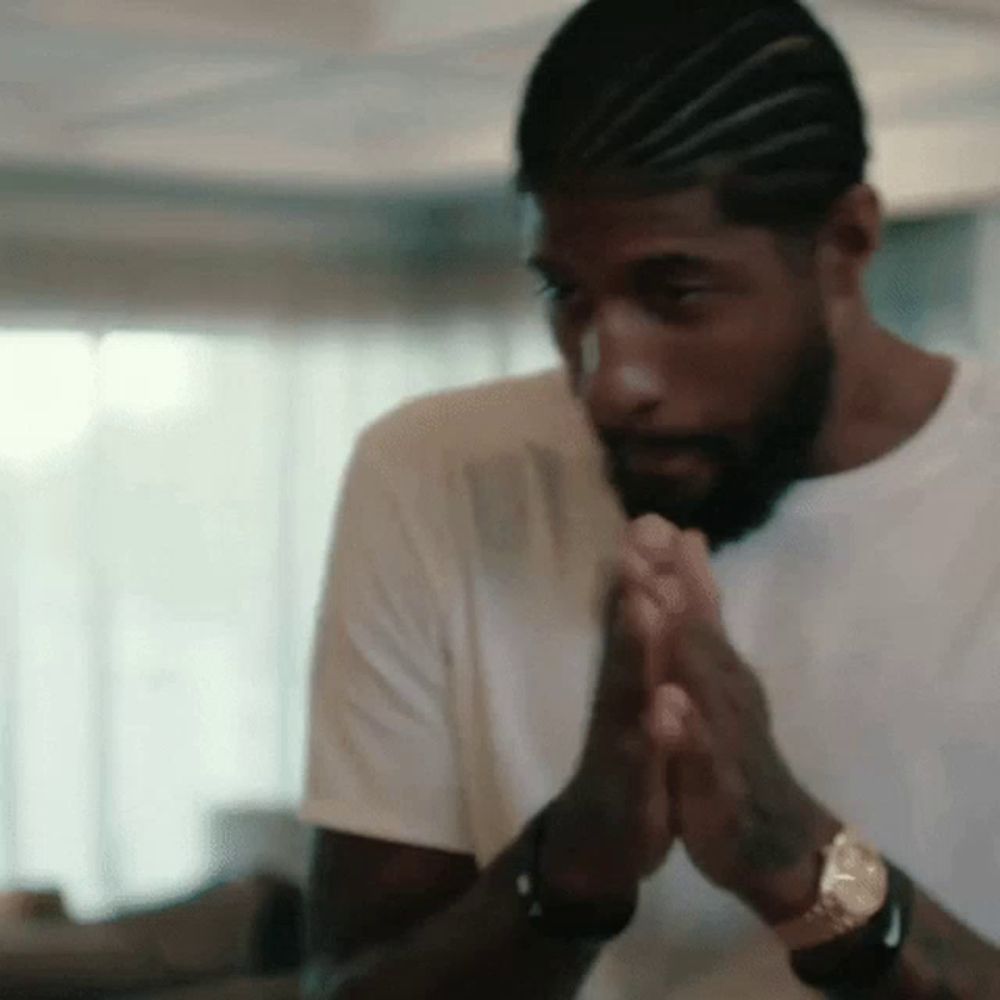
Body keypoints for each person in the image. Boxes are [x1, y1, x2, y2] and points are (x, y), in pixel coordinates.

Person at [299, 1, 1000, 996]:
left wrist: (801, 864)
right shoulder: (435, 474)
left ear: (844, 244)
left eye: (676, 294)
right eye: (567, 295)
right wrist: (572, 863)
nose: (606, 377)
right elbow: (347, 983)